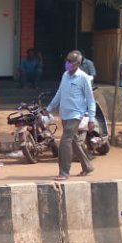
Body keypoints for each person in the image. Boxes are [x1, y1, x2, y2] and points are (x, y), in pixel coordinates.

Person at [46, 49, 96, 180]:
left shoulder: (83, 78)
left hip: (76, 114)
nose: (66, 63)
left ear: (77, 63)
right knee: (72, 141)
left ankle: (64, 172)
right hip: (65, 113)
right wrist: (50, 107)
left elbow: (90, 99)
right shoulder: (65, 75)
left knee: (65, 141)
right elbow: (59, 93)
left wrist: (91, 118)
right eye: (66, 60)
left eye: (69, 61)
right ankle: (87, 165)